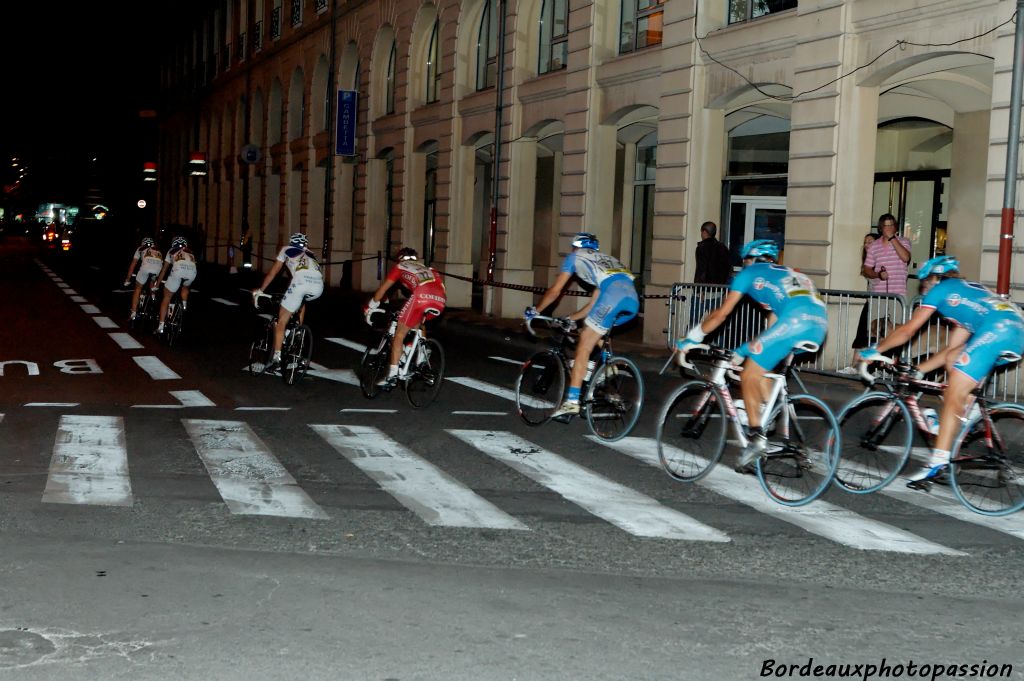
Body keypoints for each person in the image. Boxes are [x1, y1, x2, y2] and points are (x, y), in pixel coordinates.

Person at [858, 255, 1024, 485]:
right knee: (955, 363)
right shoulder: (966, 296)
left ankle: (938, 462)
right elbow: (951, 352)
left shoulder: (942, 288)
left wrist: (874, 349)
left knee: (954, 391)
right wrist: (919, 370)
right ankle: (969, 411)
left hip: (998, 331)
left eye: (923, 284)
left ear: (933, 279)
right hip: (1013, 332)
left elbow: (908, 330)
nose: (923, 290)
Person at [675, 239, 829, 472]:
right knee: (762, 366)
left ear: (750, 259)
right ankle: (767, 412)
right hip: (818, 326)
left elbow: (721, 314)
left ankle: (756, 440)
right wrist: (752, 348)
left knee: (748, 373)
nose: (743, 265)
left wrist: (693, 338)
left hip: (795, 321)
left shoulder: (750, 273)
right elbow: (773, 328)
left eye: (744, 260)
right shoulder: (788, 273)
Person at [525, 232, 640, 418]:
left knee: (583, 345)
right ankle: (608, 366)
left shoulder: (574, 257)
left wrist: (536, 310)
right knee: (590, 329)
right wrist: (572, 317)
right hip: (632, 302)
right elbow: (594, 303)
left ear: (575, 247)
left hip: (613, 297)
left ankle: (571, 402)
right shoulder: (607, 260)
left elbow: (555, 291)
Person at [365, 247, 447, 387]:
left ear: (400, 258)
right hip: (440, 299)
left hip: (420, 296)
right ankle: (421, 352)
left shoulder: (400, 266)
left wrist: (371, 306)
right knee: (419, 322)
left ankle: (392, 376)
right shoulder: (428, 268)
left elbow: (383, 289)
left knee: (399, 334)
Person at [252, 232, 324, 373]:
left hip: (300, 283)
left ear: (292, 242)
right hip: (318, 287)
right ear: (305, 244)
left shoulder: (286, 249)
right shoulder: (311, 254)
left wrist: (261, 290)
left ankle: (276, 360)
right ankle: (297, 330)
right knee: (302, 301)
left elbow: (273, 273)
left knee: (281, 320)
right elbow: (302, 274)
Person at [863, 213, 911, 301]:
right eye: (886, 226)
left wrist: (892, 238)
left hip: (898, 295)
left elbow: (906, 258)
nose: (889, 228)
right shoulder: (874, 245)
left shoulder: (904, 241)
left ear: (895, 227)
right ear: (881, 228)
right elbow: (866, 269)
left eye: (891, 225)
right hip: (877, 295)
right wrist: (878, 274)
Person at [154, 236, 197, 335]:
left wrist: (157, 284)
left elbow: (164, 270)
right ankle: (184, 304)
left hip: (178, 271)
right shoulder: (190, 252)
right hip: (192, 273)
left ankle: (160, 327)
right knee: (185, 287)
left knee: (167, 297)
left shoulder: (171, 251)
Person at [123, 237, 164, 321]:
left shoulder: (140, 248)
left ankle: (133, 313)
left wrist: (128, 279)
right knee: (152, 279)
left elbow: (133, 265)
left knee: (138, 288)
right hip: (158, 269)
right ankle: (153, 296)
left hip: (146, 268)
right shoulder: (158, 250)